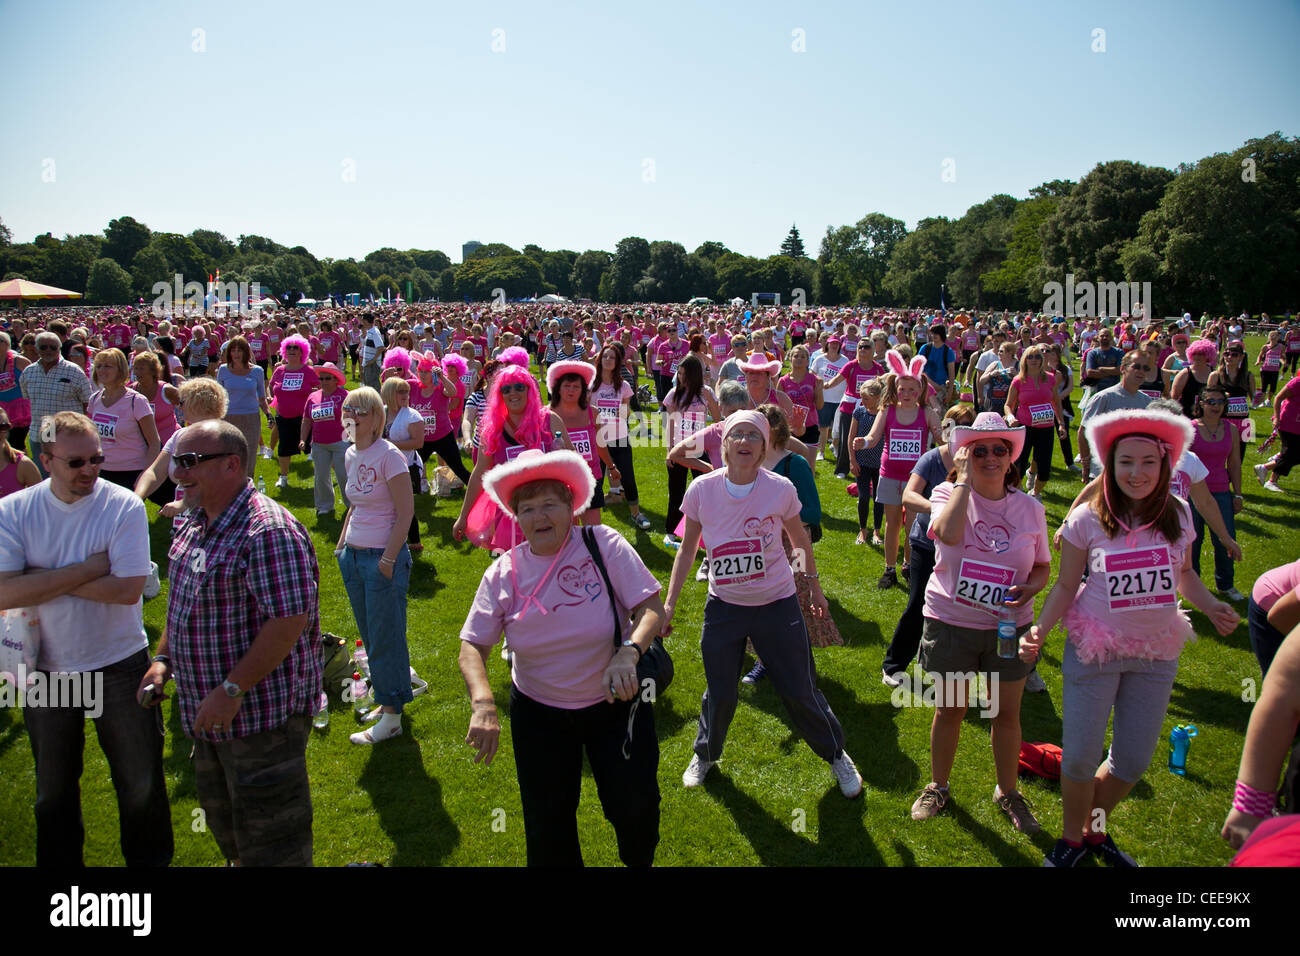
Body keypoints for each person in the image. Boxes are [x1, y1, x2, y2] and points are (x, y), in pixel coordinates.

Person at [1021, 407, 1239, 867]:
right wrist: (1041, 629)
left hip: (1157, 654)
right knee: (1080, 760)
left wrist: (1211, 605)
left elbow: (1185, 576)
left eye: (1147, 463)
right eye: (1125, 463)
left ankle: (1093, 832)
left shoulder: (1178, 515)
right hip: (1094, 651)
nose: (1136, 473)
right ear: (1109, 464)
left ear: (1165, 465)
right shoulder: (1086, 520)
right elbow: (1065, 584)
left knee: (1133, 763)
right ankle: (1073, 841)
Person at [458, 449, 665, 866]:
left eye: (549, 504)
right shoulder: (503, 572)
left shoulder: (602, 543)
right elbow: (472, 646)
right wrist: (483, 703)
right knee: (547, 824)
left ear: (572, 506)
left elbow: (652, 609)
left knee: (635, 808)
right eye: (528, 508)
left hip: (617, 703)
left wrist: (629, 653)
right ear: (517, 517)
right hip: (539, 714)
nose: (539, 516)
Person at [138, 419, 322, 865]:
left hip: (260, 716)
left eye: (188, 462)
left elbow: (288, 619)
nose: (176, 473)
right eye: (175, 461)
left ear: (232, 465)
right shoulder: (192, 518)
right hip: (209, 712)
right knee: (231, 832)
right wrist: (164, 658)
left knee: (274, 841)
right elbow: (183, 602)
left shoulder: (268, 531)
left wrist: (232, 689)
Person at [661, 410, 864, 797]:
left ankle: (837, 755)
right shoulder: (701, 490)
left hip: (777, 603)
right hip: (724, 607)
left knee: (800, 688)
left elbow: (801, 543)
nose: (744, 443)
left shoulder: (780, 488)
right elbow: (687, 551)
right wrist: (670, 604)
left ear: (765, 444)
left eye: (753, 436)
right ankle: (704, 754)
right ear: (723, 444)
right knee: (720, 691)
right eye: (736, 435)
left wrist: (815, 590)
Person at [0, 411, 171, 866]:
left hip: (119, 663)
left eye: (97, 458)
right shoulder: (15, 510)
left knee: (140, 785)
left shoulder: (123, 506)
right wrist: (89, 568)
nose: (90, 470)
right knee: (53, 793)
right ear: (46, 458)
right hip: (48, 670)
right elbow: (3, 592)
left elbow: (127, 590)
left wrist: (41, 578)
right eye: (76, 462)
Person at [909, 412, 1049, 833]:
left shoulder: (1030, 509)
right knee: (951, 709)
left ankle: (1008, 792)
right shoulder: (946, 493)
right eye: (979, 449)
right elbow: (949, 536)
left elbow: (1041, 565)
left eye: (999, 449)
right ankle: (938, 786)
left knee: (1006, 714)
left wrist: (1033, 589)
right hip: (953, 622)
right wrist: (964, 481)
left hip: (1009, 625)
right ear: (965, 455)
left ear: (1011, 459)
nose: (991, 456)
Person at [335, 385, 415, 744]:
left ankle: (393, 715)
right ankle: (386, 700)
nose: (351, 414)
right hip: (353, 557)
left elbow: (406, 512)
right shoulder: (352, 454)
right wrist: (341, 548)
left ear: (375, 418)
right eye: (348, 409)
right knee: (371, 637)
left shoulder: (390, 456)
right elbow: (354, 504)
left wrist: (387, 559)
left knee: (385, 637)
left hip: (382, 557)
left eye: (360, 410)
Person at [881, 403, 976, 688]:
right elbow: (909, 496)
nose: (957, 432)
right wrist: (938, 508)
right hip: (927, 543)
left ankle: (957, 670)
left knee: (964, 605)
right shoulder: (932, 458)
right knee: (918, 603)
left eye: (965, 426)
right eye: (952, 425)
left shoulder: (978, 461)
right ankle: (894, 664)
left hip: (963, 546)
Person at [453, 363, 569, 552]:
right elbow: (479, 473)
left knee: (553, 567)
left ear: (529, 390)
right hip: (511, 514)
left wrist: (562, 454)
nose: (512, 393)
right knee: (516, 571)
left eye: (519, 387)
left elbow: (574, 463)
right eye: (506, 389)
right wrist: (463, 516)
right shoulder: (492, 431)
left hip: (551, 508)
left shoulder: (550, 421)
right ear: (500, 395)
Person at [858, 351, 942, 589]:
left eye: (912, 390)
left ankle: (908, 564)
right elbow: (873, 437)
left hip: (916, 479)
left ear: (920, 391)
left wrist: (945, 433)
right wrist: (862, 442)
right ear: (895, 389)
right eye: (902, 389)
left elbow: (940, 436)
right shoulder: (887, 410)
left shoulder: (926, 412)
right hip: (890, 475)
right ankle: (890, 568)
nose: (906, 394)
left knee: (913, 525)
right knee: (892, 524)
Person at [1187, 384, 1244, 601]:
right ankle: (1193, 586)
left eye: (1220, 402)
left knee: (1225, 539)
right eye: (1210, 401)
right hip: (1194, 494)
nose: (1216, 406)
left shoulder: (1231, 429)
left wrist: (1237, 494)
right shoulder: (1190, 429)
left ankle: (1226, 585)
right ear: (1200, 404)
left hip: (1221, 492)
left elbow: (1235, 464)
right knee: (1193, 542)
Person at [548, 359, 620, 526]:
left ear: (583, 390)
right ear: (558, 388)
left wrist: (611, 466)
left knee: (593, 531)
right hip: (561, 480)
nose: (571, 390)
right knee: (569, 532)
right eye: (567, 386)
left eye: (576, 387)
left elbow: (600, 444)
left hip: (590, 476)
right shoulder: (547, 415)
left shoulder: (592, 413)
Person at [591, 343, 653, 531]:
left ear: (618, 362)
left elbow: (626, 410)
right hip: (598, 437)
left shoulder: (623, 385)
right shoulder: (591, 384)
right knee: (596, 479)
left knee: (627, 475)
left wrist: (621, 412)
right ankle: (593, 523)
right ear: (600, 359)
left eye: (612, 357)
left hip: (619, 437)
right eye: (605, 356)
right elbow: (585, 411)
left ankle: (636, 514)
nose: (608, 360)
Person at [661, 354, 720, 547]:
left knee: (704, 492)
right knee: (676, 492)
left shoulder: (706, 392)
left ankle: (706, 530)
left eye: (685, 374)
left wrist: (710, 399)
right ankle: (671, 531)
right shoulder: (673, 394)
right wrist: (669, 451)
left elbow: (718, 420)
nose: (681, 377)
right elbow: (669, 424)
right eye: (679, 373)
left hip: (700, 448)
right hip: (679, 449)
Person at [87, 348, 161, 491]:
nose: (102, 370)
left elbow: (154, 442)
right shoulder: (94, 399)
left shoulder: (136, 401)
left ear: (120, 370)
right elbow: (91, 438)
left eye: (108, 366)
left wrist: (145, 474)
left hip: (131, 472)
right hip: (102, 470)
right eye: (99, 366)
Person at [20, 331, 91, 477]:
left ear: (59, 348)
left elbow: (87, 403)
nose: (48, 351)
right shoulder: (29, 372)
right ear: (37, 348)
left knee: (70, 476)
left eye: (53, 347)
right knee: (45, 478)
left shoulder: (73, 371)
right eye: (44, 347)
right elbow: (27, 398)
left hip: (67, 433)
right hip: (40, 431)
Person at [1078, 351, 1155, 478]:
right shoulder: (1104, 398)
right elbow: (1083, 432)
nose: (1141, 371)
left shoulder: (1147, 402)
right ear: (1123, 369)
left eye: (1145, 368)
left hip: (1133, 474)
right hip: (1103, 471)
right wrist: (1086, 464)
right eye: (1136, 366)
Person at [1004, 345, 1066, 499]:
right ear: (1024, 360)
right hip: (1025, 428)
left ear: (1042, 360)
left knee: (1044, 470)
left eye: (1037, 356)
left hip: (1046, 428)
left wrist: (1061, 424)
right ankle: (1019, 494)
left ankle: (1035, 493)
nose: (1034, 360)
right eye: (1030, 357)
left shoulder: (1050, 379)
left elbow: (1056, 403)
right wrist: (1011, 417)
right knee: (1018, 465)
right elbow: (1008, 405)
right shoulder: (1018, 381)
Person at [409, 353, 471, 495]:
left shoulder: (441, 388)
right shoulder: (413, 386)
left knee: (458, 468)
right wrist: (391, 373)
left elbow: (453, 391)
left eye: (427, 372)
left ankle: (479, 492)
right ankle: (412, 495)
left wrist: (442, 376)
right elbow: (393, 386)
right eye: (421, 371)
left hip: (443, 436)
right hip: (422, 439)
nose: (423, 375)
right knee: (411, 468)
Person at [268, 335, 320, 491]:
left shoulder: (308, 371)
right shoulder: (279, 370)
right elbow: (271, 385)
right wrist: (271, 395)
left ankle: (331, 476)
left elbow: (321, 387)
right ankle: (283, 478)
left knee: (317, 448)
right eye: (288, 347)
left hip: (305, 418)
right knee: (283, 448)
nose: (291, 350)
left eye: (295, 348)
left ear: (302, 351)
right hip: (283, 416)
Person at [299, 362, 350, 519]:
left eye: (328, 378)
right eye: (321, 379)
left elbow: (352, 419)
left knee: (343, 475)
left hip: (341, 443)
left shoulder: (345, 396)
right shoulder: (313, 397)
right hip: (319, 443)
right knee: (321, 476)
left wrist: (353, 439)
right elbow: (306, 420)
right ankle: (324, 506)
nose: (324, 382)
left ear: (335, 380)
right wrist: (302, 439)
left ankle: (352, 505)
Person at [217, 336, 269, 480]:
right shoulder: (223, 370)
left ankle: (247, 487)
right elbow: (219, 396)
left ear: (246, 352)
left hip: (250, 418)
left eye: (240, 350)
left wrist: (269, 415)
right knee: (228, 455)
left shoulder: (257, 371)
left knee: (248, 455)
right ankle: (229, 487)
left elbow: (262, 398)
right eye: (233, 350)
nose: (236, 354)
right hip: (228, 418)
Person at [848, 379, 885, 546]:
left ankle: (877, 531)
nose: (863, 401)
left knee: (879, 498)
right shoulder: (859, 412)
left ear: (877, 397)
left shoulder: (884, 415)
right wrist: (852, 460)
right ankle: (863, 529)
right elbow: (851, 437)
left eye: (866, 398)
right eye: (861, 398)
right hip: (862, 463)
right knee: (863, 497)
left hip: (880, 464)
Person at [1255, 369, 1300, 493]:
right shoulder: (1297, 382)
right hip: (1288, 422)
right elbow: (1278, 398)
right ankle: (1270, 477)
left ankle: (1273, 463)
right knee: (1291, 454)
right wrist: (1276, 417)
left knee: (1293, 455)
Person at [0, 331, 32, 454]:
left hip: (21, 409)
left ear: (7, 343)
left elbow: (32, 381)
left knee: (21, 442)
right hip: (2, 409)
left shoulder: (20, 361)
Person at [1172, 339, 1216, 419]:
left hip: (1209, 419)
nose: (1197, 356)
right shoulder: (1184, 374)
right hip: (1187, 418)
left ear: (1208, 355)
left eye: (1201, 354)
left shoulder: (1214, 374)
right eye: (1194, 353)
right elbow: (1173, 399)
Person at [360, 313, 385, 390]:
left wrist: (372, 360)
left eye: (363, 320)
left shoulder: (374, 332)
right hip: (368, 363)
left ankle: (376, 401)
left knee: (372, 385)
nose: (362, 322)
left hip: (372, 364)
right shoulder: (370, 331)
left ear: (366, 321)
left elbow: (381, 347)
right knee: (368, 384)